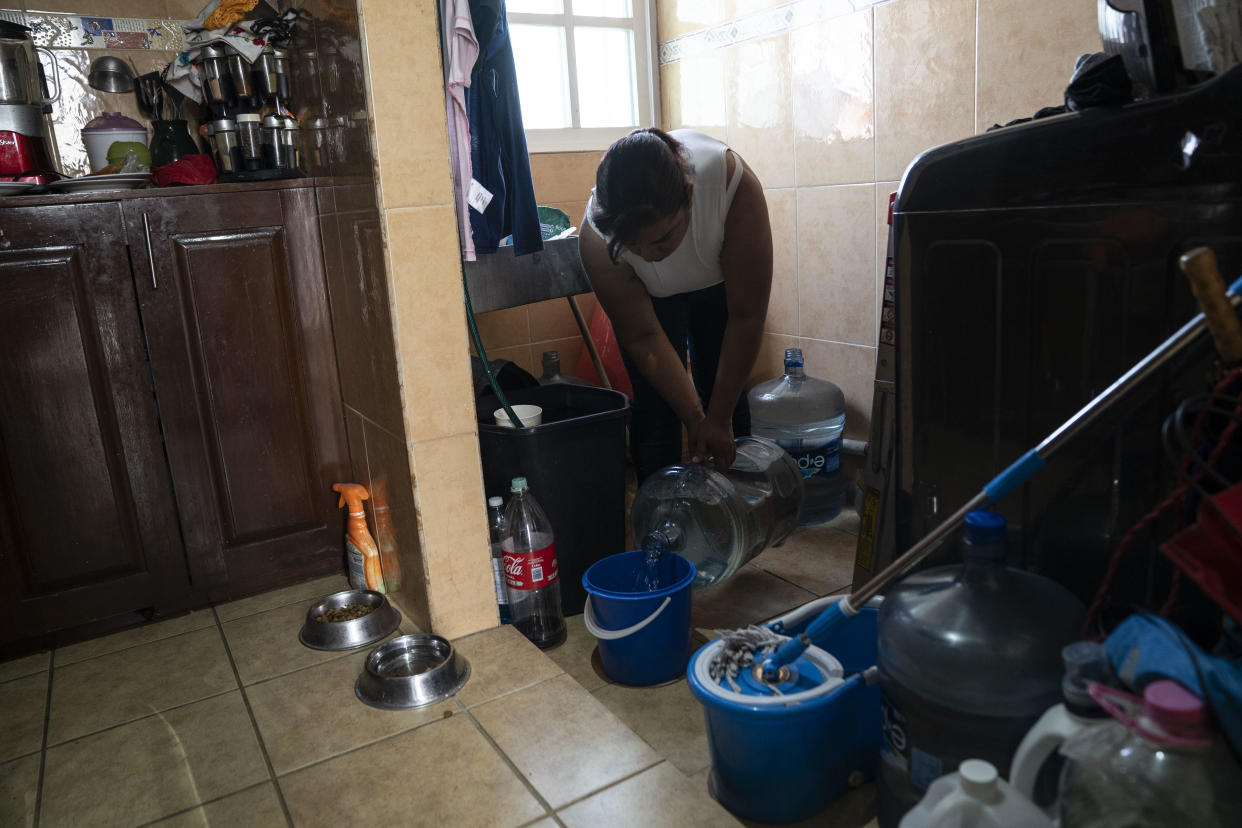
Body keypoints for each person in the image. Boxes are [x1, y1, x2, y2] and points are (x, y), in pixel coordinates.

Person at [580, 128, 773, 482]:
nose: (652, 257)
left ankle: (742, 511)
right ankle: (661, 524)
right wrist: (696, 419)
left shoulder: (729, 184)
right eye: (635, 249)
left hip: (718, 283)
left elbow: (747, 317)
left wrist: (716, 418)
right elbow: (642, 337)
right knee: (656, 409)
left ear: (689, 194)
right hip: (650, 302)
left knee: (725, 396)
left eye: (663, 238)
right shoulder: (596, 238)